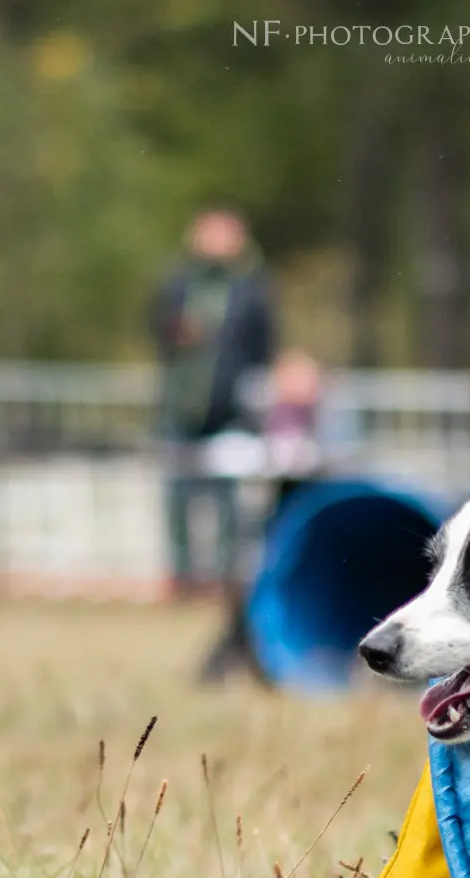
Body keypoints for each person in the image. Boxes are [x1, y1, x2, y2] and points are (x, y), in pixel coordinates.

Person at [195, 348, 354, 684]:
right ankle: (235, 658)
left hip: (308, 522)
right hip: (271, 521)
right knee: (246, 582)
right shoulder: (261, 419)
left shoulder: (328, 423)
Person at [149, 206, 276, 597]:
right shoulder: (177, 282)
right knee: (177, 497)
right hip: (181, 407)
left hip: (229, 411)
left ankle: (224, 578)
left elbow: (264, 348)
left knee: (228, 502)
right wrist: (176, 332)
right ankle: (183, 576)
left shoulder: (252, 289)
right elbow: (154, 328)